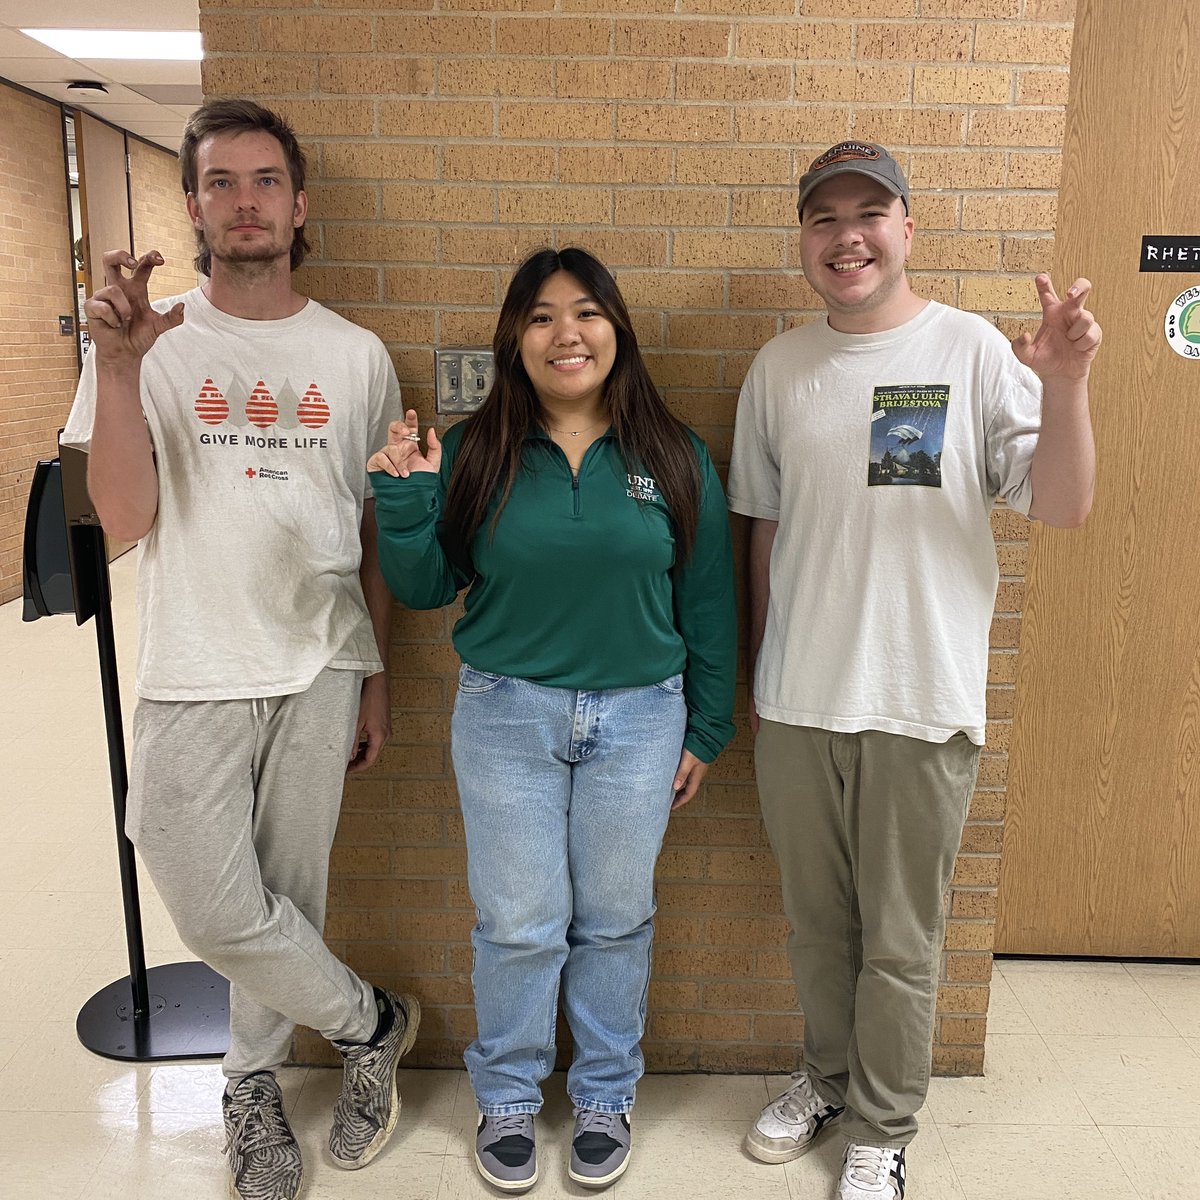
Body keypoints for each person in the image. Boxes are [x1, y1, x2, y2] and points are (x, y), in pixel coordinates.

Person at [729, 141, 1100, 1200]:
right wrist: (760, 678)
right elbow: (762, 533)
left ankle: (883, 1130)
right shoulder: (780, 368)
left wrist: (1065, 384)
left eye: (869, 213)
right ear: (804, 238)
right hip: (799, 701)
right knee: (816, 926)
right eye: (824, 218)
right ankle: (828, 1076)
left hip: (921, 699)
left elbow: (1064, 505)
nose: (847, 236)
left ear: (906, 226)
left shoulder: (973, 350)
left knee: (900, 940)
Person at [61, 99, 418, 1200]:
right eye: (223, 182)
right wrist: (116, 369)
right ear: (194, 206)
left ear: (299, 204)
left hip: (319, 662)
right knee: (212, 903)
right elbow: (123, 519)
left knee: (287, 898)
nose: (247, 201)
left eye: (266, 180)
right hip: (193, 662)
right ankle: (372, 1023)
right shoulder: (148, 341)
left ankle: (250, 1085)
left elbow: (373, 527)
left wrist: (376, 672)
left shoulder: (356, 355)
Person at [368, 246, 736, 1192]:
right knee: (521, 922)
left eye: (584, 312)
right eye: (539, 316)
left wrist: (705, 727)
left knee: (615, 920)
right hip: (504, 717)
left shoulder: (672, 454)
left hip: (642, 719)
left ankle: (608, 1092)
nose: (564, 333)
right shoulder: (478, 450)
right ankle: (512, 1096)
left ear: (616, 329)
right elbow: (422, 589)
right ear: (514, 339)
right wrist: (405, 499)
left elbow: (708, 602)